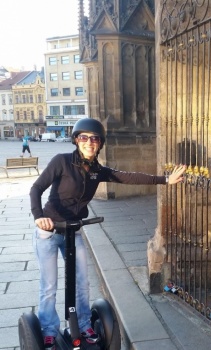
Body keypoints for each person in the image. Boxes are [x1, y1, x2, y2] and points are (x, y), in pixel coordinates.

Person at [29, 118, 186, 349]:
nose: (89, 143)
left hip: (73, 231)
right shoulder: (61, 161)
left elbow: (129, 177)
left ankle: (83, 324)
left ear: (100, 144)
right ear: (76, 140)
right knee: (49, 286)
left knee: (82, 283)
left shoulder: (97, 170)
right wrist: (38, 217)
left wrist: (165, 180)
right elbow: (36, 188)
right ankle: (49, 331)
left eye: (94, 139)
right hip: (49, 231)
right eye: (84, 138)